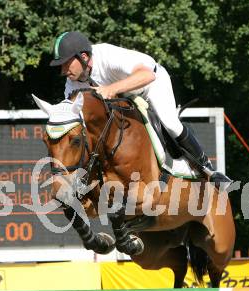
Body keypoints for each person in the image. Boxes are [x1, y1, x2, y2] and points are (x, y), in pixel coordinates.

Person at [50, 31, 231, 186]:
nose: (63, 71)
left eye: (66, 63)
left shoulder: (107, 55)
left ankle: (208, 170)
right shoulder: (73, 82)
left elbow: (147, 75)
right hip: (125, 99)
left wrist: (111, 89)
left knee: (170, 123)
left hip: (150, 85)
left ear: (83, 57)